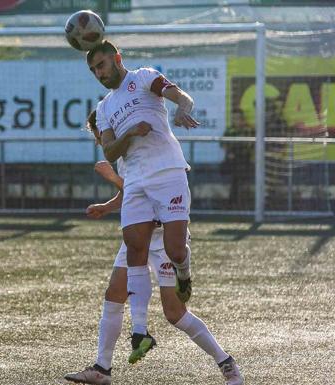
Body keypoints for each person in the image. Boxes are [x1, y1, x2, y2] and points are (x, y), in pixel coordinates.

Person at [88, 40, 243, 384]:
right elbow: (113, 153)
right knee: (118, 283)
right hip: (141, 200)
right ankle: (106, 363)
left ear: (116, 59)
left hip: (167, 182)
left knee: (175, 308)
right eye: (93, 69)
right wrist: (125, 142)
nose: (99, 73)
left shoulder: (143, 78)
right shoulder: (103, 108)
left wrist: (182, 107)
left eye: (102, 65)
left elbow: (180, 96)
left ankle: (225, 362)